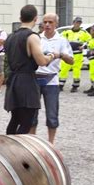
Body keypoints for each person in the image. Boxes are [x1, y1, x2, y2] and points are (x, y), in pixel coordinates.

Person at [4, 5, 60, 135]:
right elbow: (41, 61)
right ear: (35, 19)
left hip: (13, 80)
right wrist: (52, 55)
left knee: (15, 119)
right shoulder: (32, 37)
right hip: (26, 81)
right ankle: (17, 149)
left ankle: (8, 147)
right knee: (26, 122)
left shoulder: (10, 37)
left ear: (20, 18)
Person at [29, 13, 73, 144]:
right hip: (35, 78)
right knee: (32, 114)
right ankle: (33, 142)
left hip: (52, 80)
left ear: (56, 24)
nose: (47, 25)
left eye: (50, 22)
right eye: (45, 22)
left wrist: (60, 55)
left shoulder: (62, 40)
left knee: (52, 114)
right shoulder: (36, 38)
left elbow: (71, 60)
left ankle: (51, 143)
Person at [59, 16, 90, 92]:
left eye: (79, 22)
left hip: (78, 55)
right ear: (73, 23)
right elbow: (60, 39)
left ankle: (75, 86)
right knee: (64, 69)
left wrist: (84, 46)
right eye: (77, 22)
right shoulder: (67, 32)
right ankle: (60, 85)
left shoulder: (84, 33)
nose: (78, 24)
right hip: (68, 54)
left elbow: (90, 40)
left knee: (76, 70)